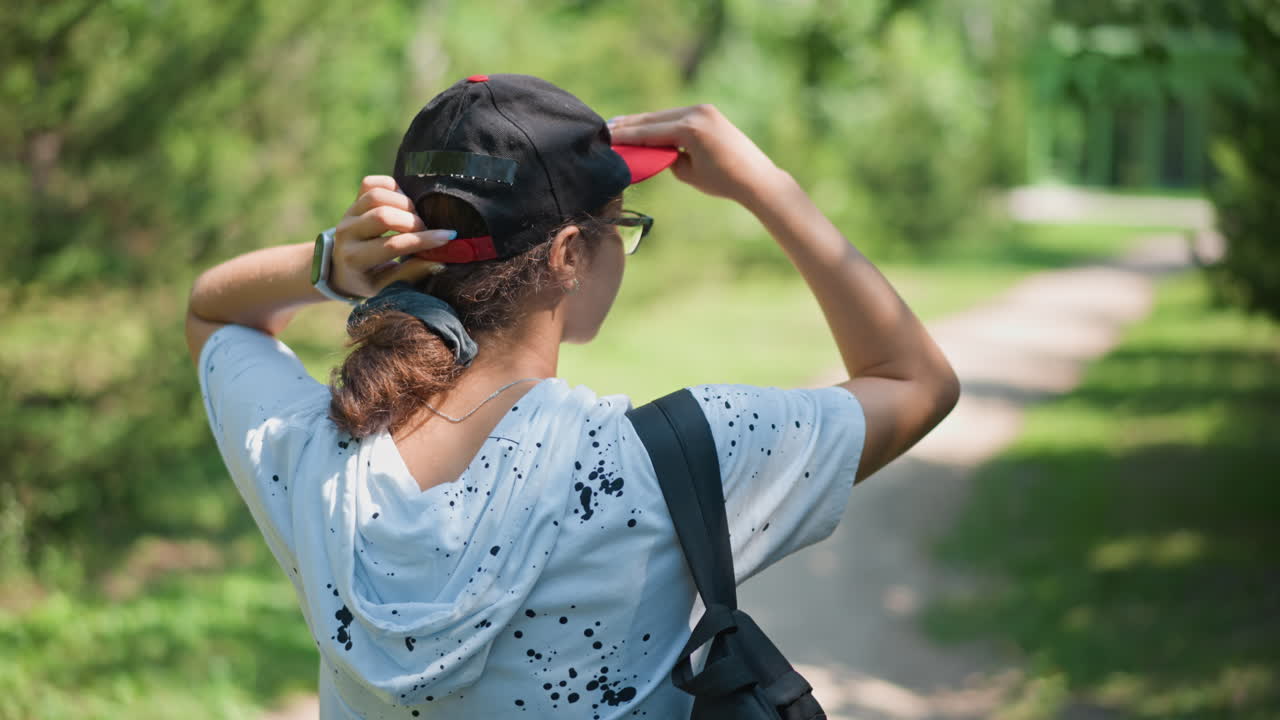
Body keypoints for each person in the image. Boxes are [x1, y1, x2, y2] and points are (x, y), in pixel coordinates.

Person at [185, 74, 958, 720]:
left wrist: (330, 260)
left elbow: (213, 312)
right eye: (621, 227)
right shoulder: (672, 459)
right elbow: (917, 382)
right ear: (565, 256)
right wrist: (767, 185)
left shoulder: (318, 454)